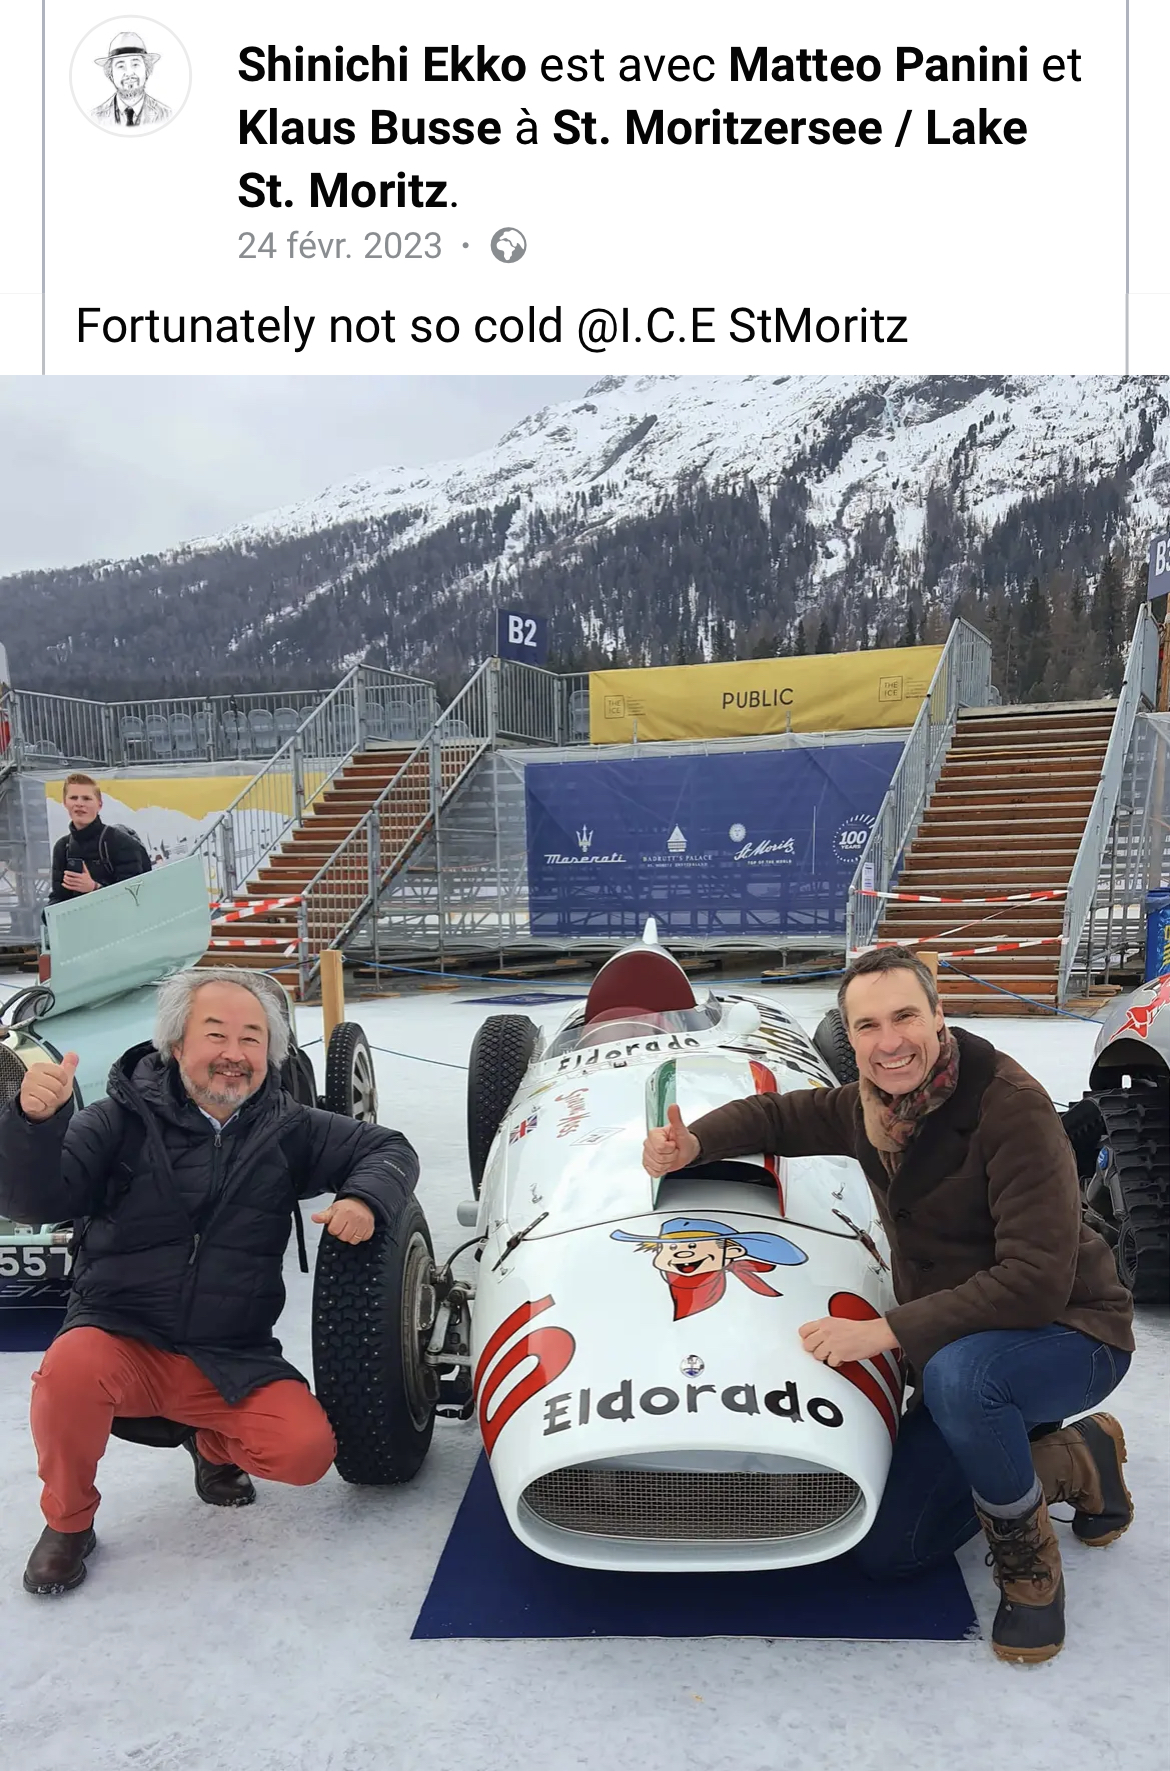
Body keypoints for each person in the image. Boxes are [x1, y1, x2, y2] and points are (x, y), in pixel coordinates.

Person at [642, 946, 1135, 1665]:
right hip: (960, 1345)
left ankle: (1030, 1570)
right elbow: (778, 1116)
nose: (889, 1041)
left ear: (939, 1016)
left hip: (1069, 1332)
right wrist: (693, 1143)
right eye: (867, 1025)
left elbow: (1034, 1281)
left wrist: (885, 1331)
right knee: (888, 1549)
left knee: (964, 1380)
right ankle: (1078, 1458)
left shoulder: (1010, 1107)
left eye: (905, 1016)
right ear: (850, 1036)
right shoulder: (874, 1106)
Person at [0, 966, 420, 1597]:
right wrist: (33, 1127)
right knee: (67, 1373)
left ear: (269, 1054)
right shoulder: (116, 1121)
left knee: (304, 1452)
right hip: (121, 1335)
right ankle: (68, 1522)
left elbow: (391, 1148)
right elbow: (33, 1202)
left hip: (230, 1353)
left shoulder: (289, 1128)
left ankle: (211, 1446)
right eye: (216, 1034)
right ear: (177, 1045)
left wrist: (364, 1197)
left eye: (252, 1038)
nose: (234, 1053)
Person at [49, 774, 152, 903]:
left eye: (86, 798)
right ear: (65, 803)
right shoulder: (62, 847)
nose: (79, 804)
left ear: (99, 805)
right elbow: (58, 897)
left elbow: (133, 897)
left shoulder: (121, 842)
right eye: (73, 798)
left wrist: (94, 888)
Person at [91, 30, 172, 130]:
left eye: (135, 64)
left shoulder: (167, 115)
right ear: (110, 74)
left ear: (147, 69)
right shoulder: (94, 117)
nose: (129, 73)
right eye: (121, 66)